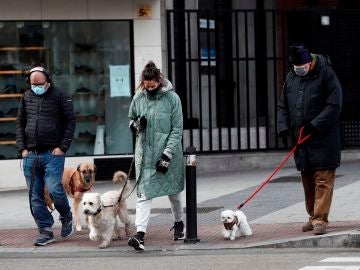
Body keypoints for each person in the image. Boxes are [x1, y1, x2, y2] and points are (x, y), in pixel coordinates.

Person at [277, 43, 343, 235]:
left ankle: (320, 219)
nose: (299, 70)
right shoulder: (291, 76)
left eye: (301, 67)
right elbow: (283, 105)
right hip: (302, 139)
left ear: (309, 62)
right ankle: (313, 215)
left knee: (323, 178)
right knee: (307, 179)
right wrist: (283, 127)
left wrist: (315, 125)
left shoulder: (326, 73)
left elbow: (334, 104)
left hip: (323, 137)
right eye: (295, 67)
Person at [127, 61, 185, 251]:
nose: (149, 89)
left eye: (153, 86)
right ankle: (140, 234)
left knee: (173, 192)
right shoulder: (138, 97)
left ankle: (179, 223)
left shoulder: (173, 98)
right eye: (146, 86)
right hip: (145, 155)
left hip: (168, 153)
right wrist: (137, 125)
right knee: (144, 194)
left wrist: (167, 155)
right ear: (143, 82)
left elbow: (177, 129)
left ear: (159, 81)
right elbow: (131, 120)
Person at [16, 66, 76, 246]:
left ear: (48, 81)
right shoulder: (26, 97)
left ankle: (66, 216)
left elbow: (70, 121)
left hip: (53, 154)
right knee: (35, 196)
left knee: (55, 188)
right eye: (32, 84)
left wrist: (62, 147)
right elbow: (20, 123)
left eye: (39, 84)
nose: (36, 87)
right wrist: (22, 149)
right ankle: (46, 231)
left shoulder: (60, 95)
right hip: (31, 155)